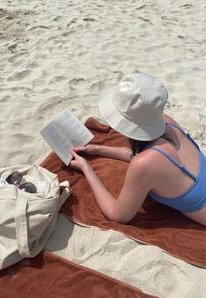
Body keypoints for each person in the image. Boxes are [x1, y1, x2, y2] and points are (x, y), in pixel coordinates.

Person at [69, 72, 206, 227]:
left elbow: (118, 215)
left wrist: (86, 168)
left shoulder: (145, 164)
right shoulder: (168, 124)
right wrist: (98, 149)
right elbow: (154, 159)